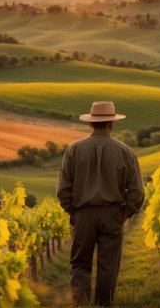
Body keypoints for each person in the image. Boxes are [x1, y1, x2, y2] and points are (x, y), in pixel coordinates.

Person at [56, 101, 144, 307]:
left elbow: (63, 190)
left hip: (83, 215)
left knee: (80, 264)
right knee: (108, 265)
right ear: (112, 124)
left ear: (91, 124)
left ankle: (82, 304)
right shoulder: (126, 152)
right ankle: (103, 305)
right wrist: (125, 213)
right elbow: (138, 192)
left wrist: (73, 212)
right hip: (113, 214)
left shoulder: (73, 150)